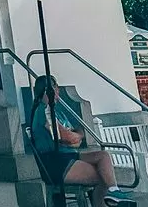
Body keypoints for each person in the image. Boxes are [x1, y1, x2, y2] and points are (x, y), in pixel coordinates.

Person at [29, 74, 122, 207]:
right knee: (103, 176)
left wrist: (73, 137)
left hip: (67, 154)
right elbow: (66, 137)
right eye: (56, 88)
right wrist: (74, 137)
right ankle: (105, 199)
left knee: (103, 156)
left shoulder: (52, 111)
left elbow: (74, 138)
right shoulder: (44, 111)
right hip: (57, 161)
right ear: (49, 90)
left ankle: (114, 192)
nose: (58, 92)